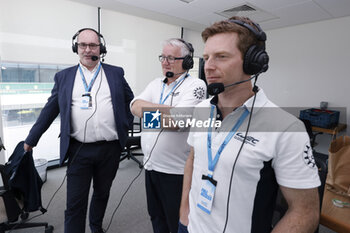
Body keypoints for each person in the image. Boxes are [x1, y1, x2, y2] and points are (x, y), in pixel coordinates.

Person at [178, 16, 321, 233]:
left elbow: (305, 212)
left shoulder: (285, 128)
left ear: (253, 62)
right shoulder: (201, 109)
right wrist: (184, 213)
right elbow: (193, 157)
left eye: (221, 57)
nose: (208, 67)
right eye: (206, 57)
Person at [24, 28, 134, 233]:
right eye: (83, 45)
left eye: (93, 45)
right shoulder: (64, 77)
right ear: (76, 47)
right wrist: (31, 139)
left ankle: (96, 226)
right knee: (75, 201)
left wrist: (125, 125)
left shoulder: (115, 73)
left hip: (109, 149)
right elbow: (50, 109)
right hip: (78, 150)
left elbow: (131, 101)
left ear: (101, 49)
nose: (87, 49)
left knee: (102, 193)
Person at [131, 38, 207, 233]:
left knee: (175, 222)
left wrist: (149, 112)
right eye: (163, 57)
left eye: (171, 58)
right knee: (156, 218)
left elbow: (178, 122)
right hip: (150, 166)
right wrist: (170, 110)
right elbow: (133, 106)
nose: (165, 62)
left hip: (175, 172)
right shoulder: (156, 83)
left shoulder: (196, 86)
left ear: (187, 62)